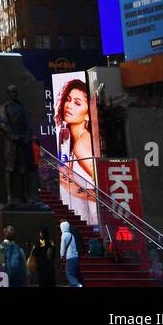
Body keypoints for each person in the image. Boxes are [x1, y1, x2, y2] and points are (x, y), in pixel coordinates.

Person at [55, 79, 97, 226]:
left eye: (77, 103)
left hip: (92, 215)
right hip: (82, 213)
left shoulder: (82, 144)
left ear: (87, 114)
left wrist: (76, 190)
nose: (69, 106)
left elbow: (103, 187)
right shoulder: (68, 138)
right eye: (68, 99)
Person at [60, 220, 83, 288]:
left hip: (70, 257)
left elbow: (63, 246)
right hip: (75, 256)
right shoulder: (71, 235)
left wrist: (62, 255)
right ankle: (77, 284)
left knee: (69, 274)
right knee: (75, 273)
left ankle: (77, 285)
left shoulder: (64, 235)